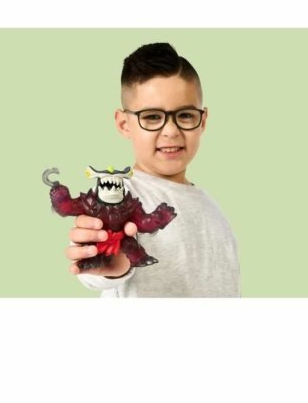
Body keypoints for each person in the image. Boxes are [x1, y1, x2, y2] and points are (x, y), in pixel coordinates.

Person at [65, 43, 240, 297]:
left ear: (202, 121)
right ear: (124, 124)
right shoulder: (118, 194)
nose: (171, 130)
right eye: (152, 117)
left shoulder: (211, 206)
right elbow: (96, 261)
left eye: (185, 115)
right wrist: (105, 264)